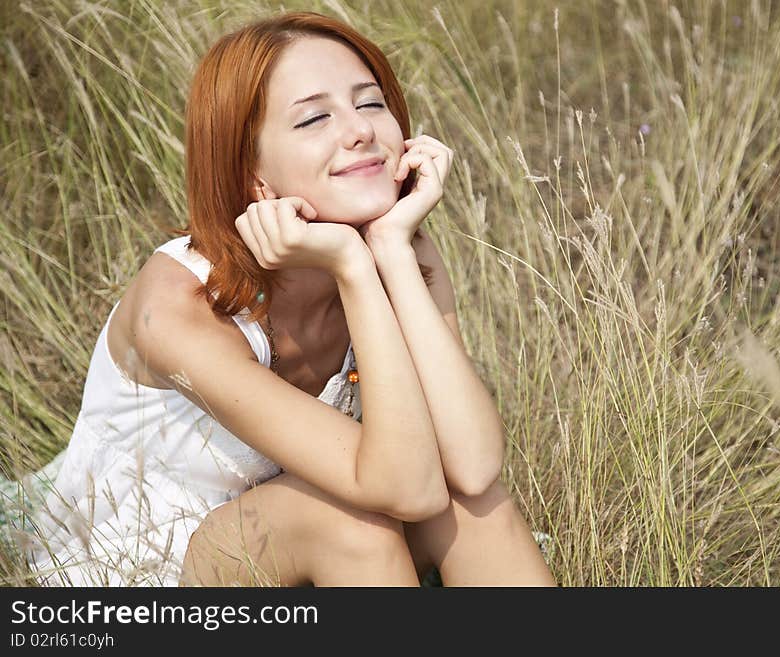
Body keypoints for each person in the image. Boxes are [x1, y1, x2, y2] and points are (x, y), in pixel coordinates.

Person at [24, 11, 556, 587]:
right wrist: (352, 267)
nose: (358, 131)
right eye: (314, 118)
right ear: (255, 176)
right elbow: (408, 487)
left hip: (323, 520)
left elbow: (474, 469)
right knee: (353, 527)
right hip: (155, 561)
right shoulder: (178, 304)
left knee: (475, 511)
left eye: (371, 103)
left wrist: (389, 254)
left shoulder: (402, 249)